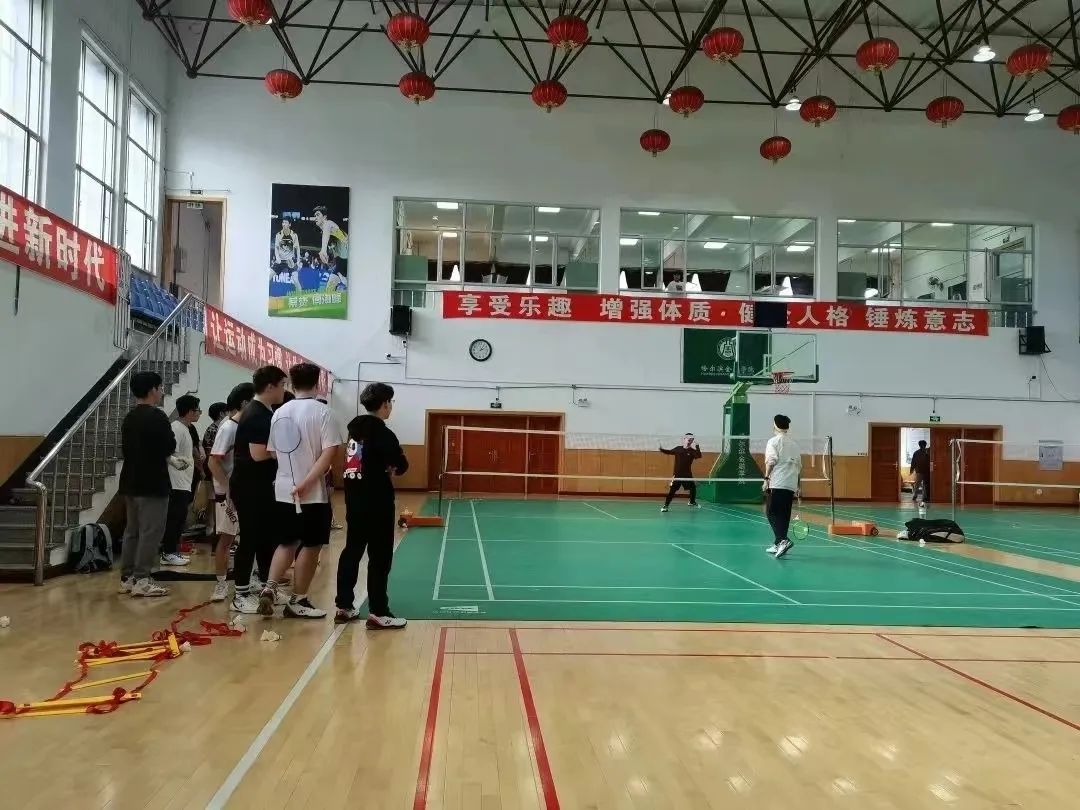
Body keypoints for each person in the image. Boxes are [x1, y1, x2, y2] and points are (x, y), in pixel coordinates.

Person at [257, 363, 342, 619]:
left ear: (292, 384)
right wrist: (306, 482)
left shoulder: (279, 412)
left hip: (283, 489)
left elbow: (273, 452)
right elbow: (329, 453)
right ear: (318, 383)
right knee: (311, 545)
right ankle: (298, 600)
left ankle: (269, 587)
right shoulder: (323, 412)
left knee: (286, 542)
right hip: (311, 492)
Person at [334, 382, 409, 629]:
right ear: (385, 404)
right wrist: (393, 465)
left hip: (354, 500)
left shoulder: (354, 432)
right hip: (377, 501)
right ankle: (378, 611)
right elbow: (400, 464)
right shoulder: (382, 433)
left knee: (352, 551)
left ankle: (344, 606)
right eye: (391, 402)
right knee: (380, 557)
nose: (391, 407)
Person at [230, 365, 288, 613]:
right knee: (250, 538)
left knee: (267, 538)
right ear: (271, 386)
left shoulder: (266, 412)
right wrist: (285, 452)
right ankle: (240, 594)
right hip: (249, 487)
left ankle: (266, 587)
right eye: (282, 385)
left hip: (262, 486)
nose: (284, 390)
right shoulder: (255, 414)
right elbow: (257, 454)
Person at [117, 371, 176, 598]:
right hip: (152, 483)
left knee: (132, 531)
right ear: (153, 389)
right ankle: (142, 579)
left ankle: (127, 578)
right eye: (160, 388)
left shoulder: (129, 417)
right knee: (151, 532)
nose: (161, 392)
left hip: (130, 481)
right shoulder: (157, 416)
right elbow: (169, 446)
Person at [207, 383, 255, 605]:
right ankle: (221, 583)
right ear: (245, 403)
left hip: (245, 490)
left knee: (249, 539)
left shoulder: (247, 426)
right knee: (226, 539)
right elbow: (213, 462)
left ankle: (250, 580)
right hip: (228, 494)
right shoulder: (228, 428)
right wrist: (228, 489)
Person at [161, 395, 201, 567]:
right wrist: (176, 462)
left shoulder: (186, 428)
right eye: (198, 410)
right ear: (190, 411)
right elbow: (169, 453)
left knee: (180, 519)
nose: (199, 413)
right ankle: (168, 553)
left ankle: (173, 551)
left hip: (184, 481)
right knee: (174, 518)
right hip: (175, 482)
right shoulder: (176, 428)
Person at [764, 414, 802, 559]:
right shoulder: (794, 445)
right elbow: (799, 467)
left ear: (775, 425)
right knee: (784, 515)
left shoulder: (773, 441)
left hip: (778, 482)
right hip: (791, 484)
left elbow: (771, 461)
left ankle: (783, 540)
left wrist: (766, 479)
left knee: (771, 512)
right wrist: (798, 486)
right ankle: (777, 543)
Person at [659, 434, 702, 512]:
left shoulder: (692, 451)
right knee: (672, 491)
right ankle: (666, 506)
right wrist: (661, 449)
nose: (689, 439)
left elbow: (699, 456)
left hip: (687, 475)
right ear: (684, 439)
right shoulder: (678, 449)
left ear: (692, 441)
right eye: (688, 438)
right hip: (677, 475)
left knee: (693, 488)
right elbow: (669, 452)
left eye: (691, 439)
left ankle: (692, 502)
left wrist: (697, 446)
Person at [313, 205, 348, 291]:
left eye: (318, 214)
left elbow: (326, 232)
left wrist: (323, 250)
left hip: (352, 257)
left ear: (324, 217)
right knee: (329, 288)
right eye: (314, 215)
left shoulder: (328, 223)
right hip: (342, 261)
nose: (315, 217)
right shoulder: (325, 233)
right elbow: (335, 252)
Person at [273, 218, 303, 292]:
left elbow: (297, 249)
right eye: (283, 222)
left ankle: (300, 296)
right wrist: (277, 257)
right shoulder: (278, 235)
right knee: (269, 275)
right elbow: (276, 248)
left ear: (289, 224)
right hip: (280, 260)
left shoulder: (294, 235)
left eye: (286, 222)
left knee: (295, 279)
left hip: (290, 261)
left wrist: (298, 261)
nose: (283, 224)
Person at [910, 439, 931, 505]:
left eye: (923, 445)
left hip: (922, 471)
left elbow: (913, 462)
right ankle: (922, 497)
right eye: (922, 445)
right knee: (922, 484)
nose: (923, 446)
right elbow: (913, 462)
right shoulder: (926, 452)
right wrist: (912, 469)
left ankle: (917, 496)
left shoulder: (924, 452)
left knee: (920, 484)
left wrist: (912, 469)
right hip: (924, 471)